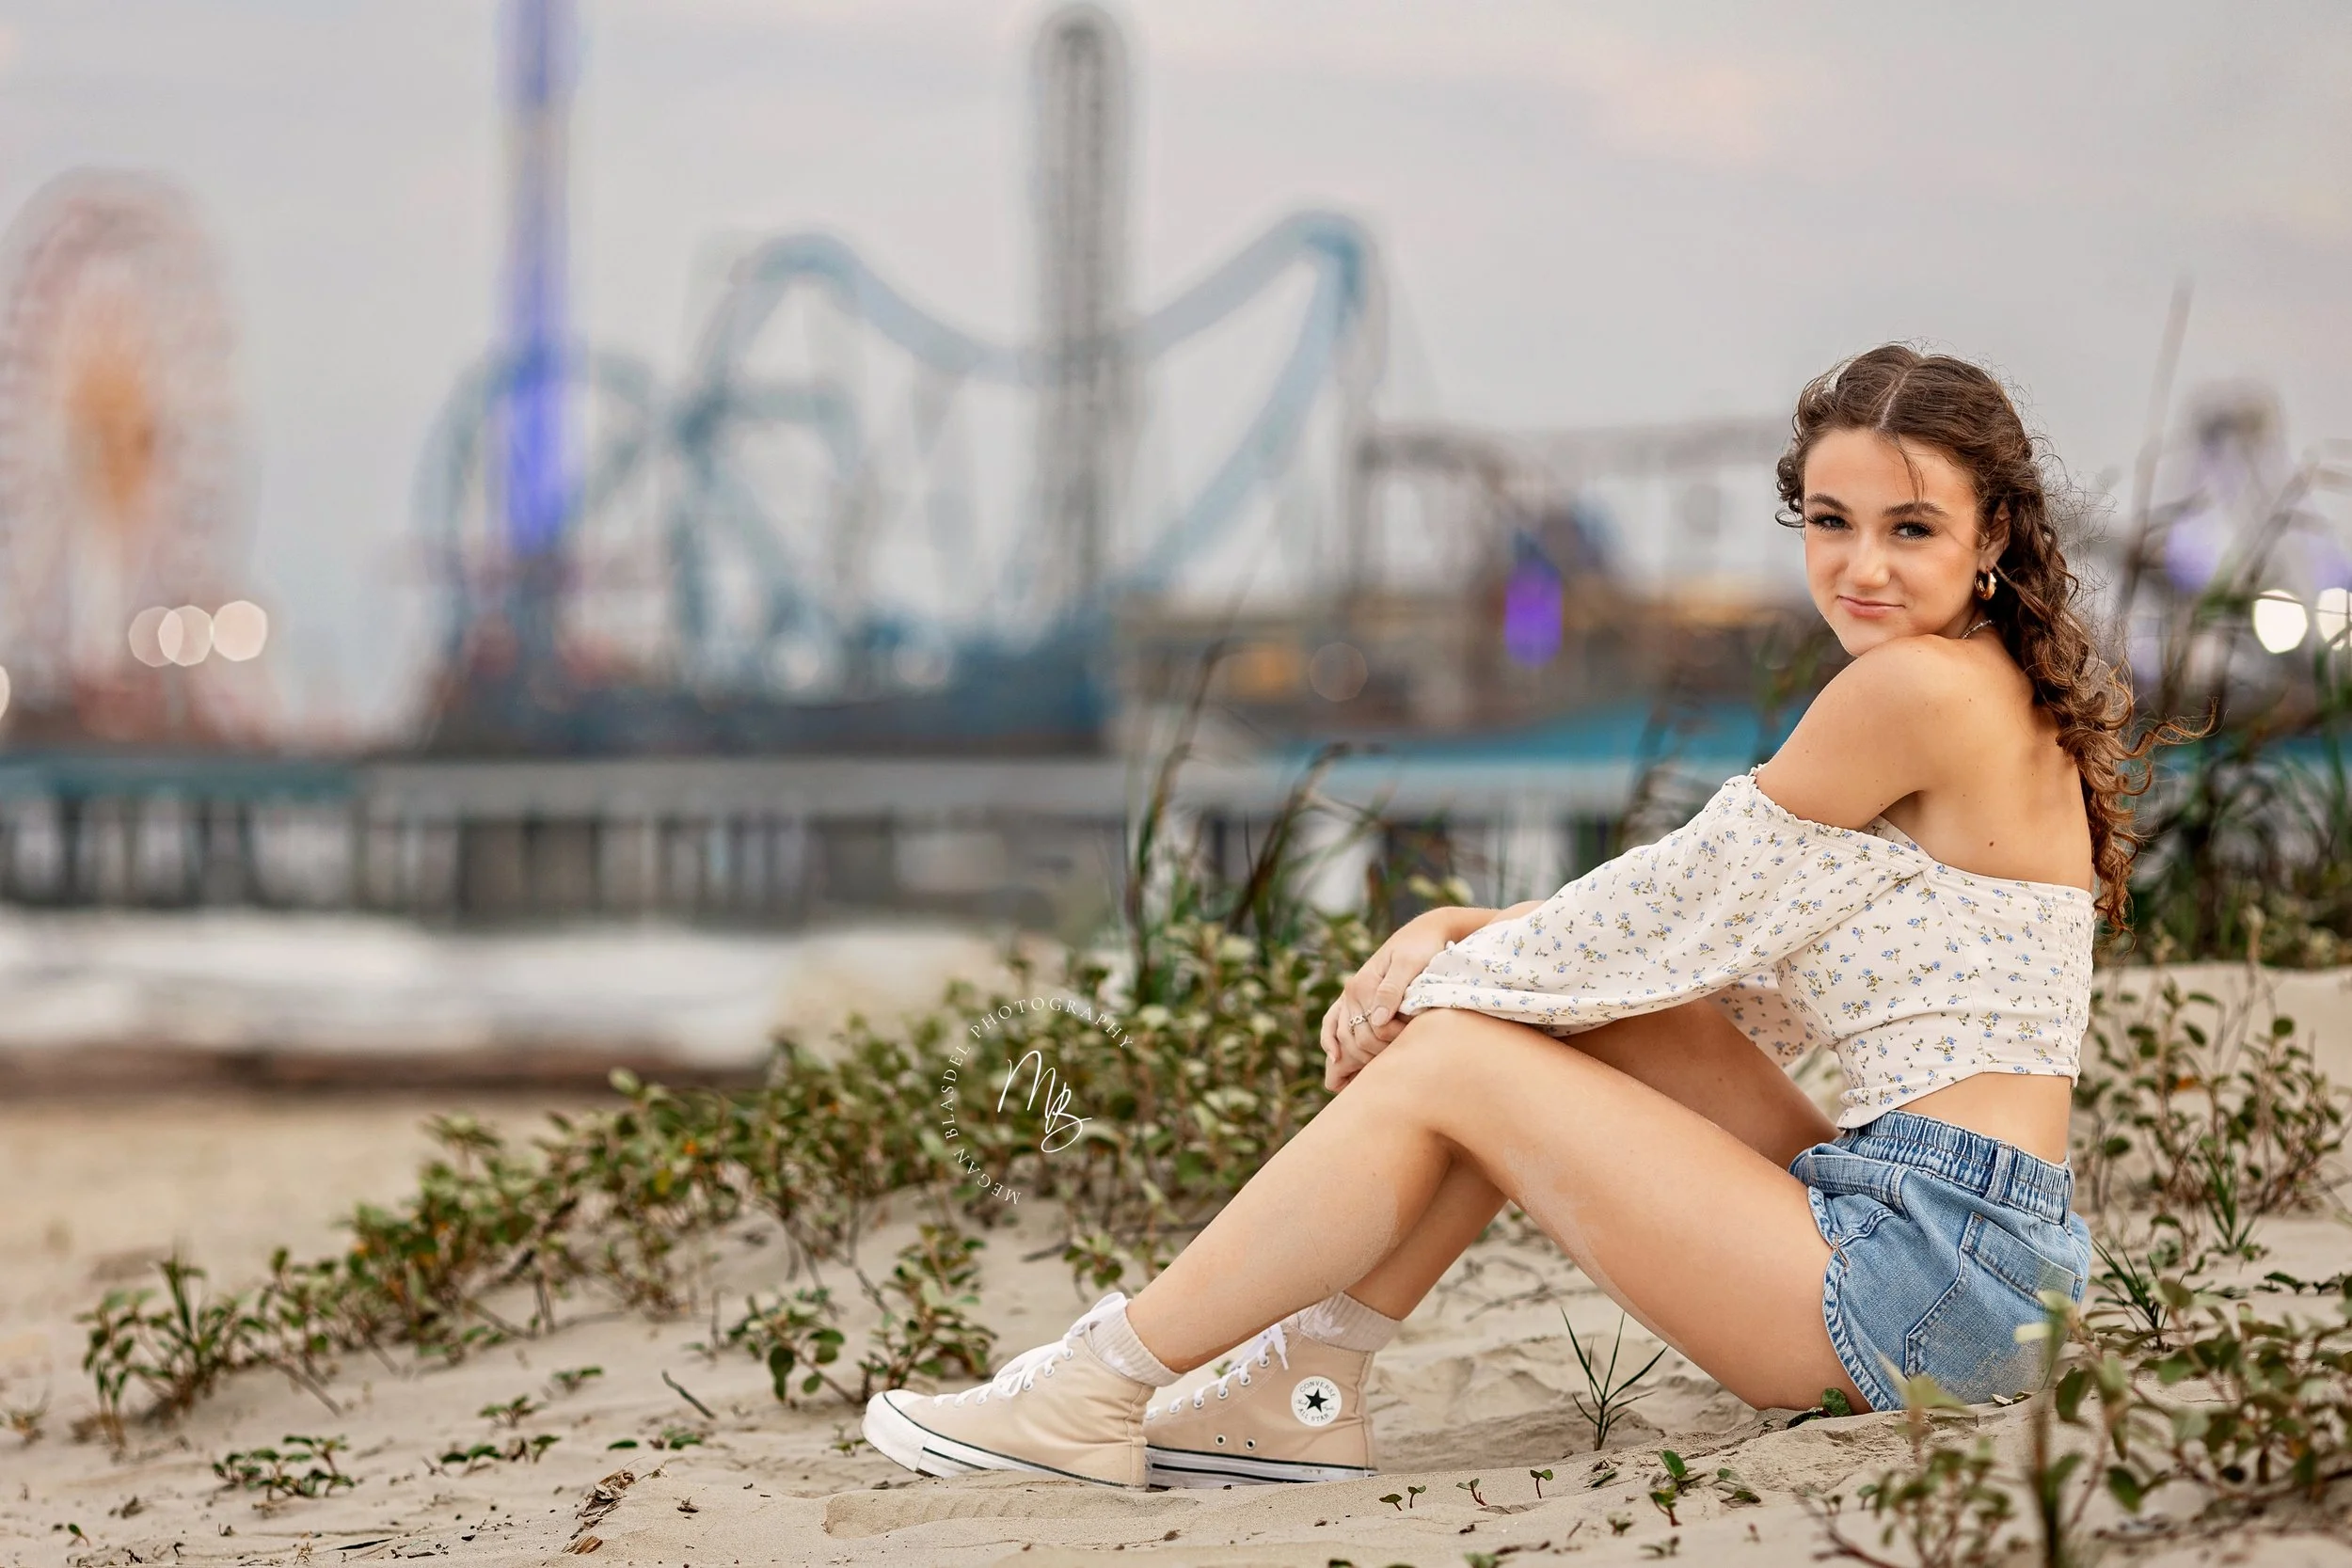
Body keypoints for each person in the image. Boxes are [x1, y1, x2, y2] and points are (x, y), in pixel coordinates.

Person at [863, 343, 2175, 1491]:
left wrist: (1449, 950)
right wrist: (1475, 939)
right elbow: (1686, 955)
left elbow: (1683, 895)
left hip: (1929, 1281)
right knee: (1541, 1012)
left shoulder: (1915, 691)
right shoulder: (1991, 686)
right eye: (1831, 521)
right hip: (1981, 1261)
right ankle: (1301, 1388)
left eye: (1912, 528)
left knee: (1458, 1052)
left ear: (1993, 537)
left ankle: (1095, 1386)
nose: (1861, 565)